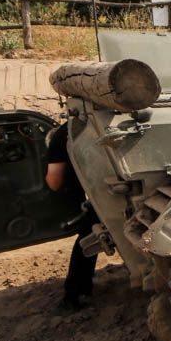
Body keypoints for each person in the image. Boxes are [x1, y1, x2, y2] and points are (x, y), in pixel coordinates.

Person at [45, 121, 99, 314]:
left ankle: (74, 296)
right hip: (123, 190)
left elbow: (54, 181)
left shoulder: (65, 133)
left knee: (87, 239)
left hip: (100, 197)